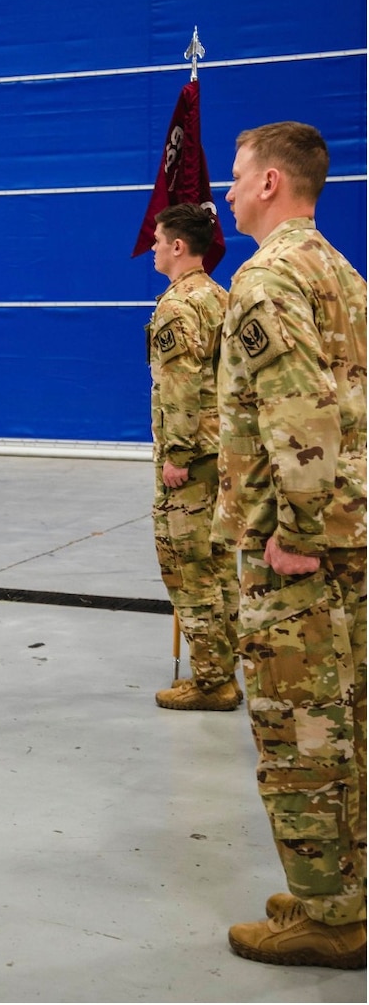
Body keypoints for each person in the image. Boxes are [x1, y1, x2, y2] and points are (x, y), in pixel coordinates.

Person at [214, 122, 366, 967]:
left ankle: (329, 919)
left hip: (299, 547)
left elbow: (302, 412)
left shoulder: (267, 278)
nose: (227, 191)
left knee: (299, 729)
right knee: (347, 717)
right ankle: (344, 888)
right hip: (352, 532)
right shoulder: (338, 268)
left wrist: (297, 533)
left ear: (271, 182)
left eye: (237, 176)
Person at [147, 203, 241, 711]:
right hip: (221, 449)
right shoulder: (220, 298)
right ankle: (223, 667)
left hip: (192, 456)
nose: (155, 248)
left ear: (179, 246)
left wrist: (177, 453)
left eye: (160, 240)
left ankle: (211, 680)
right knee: (220, 563)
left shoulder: (178, 306)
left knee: (187, 566)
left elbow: (181, 386)